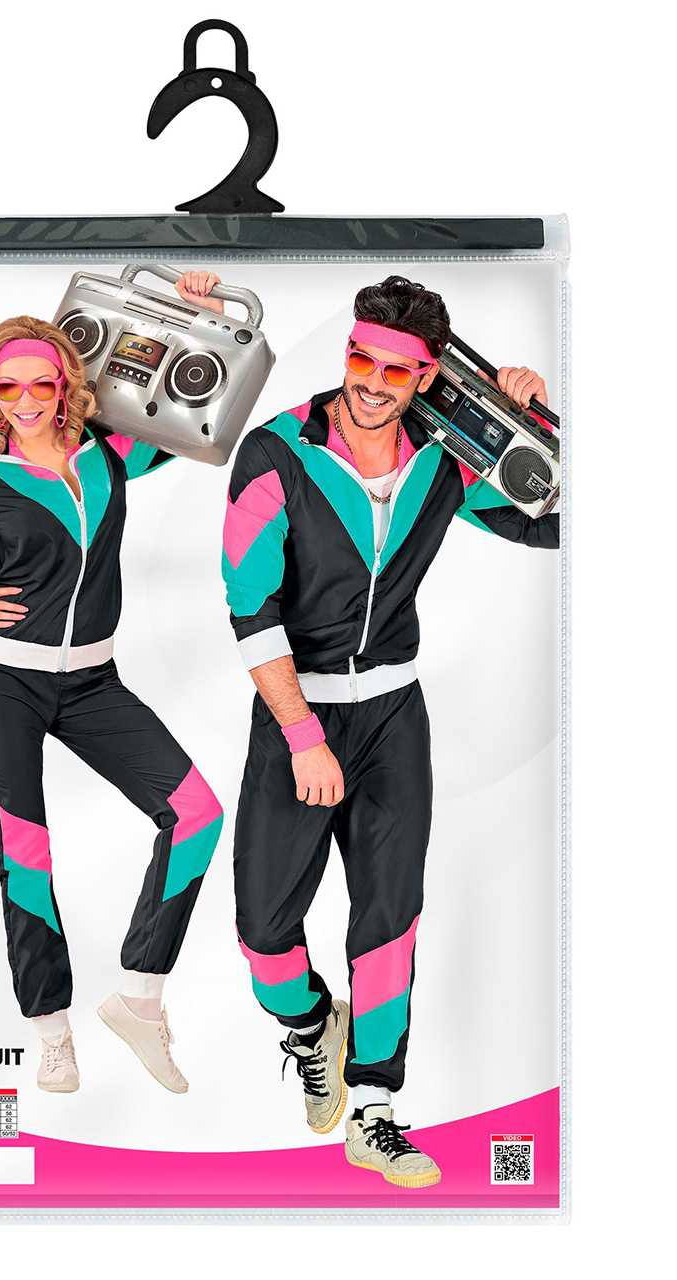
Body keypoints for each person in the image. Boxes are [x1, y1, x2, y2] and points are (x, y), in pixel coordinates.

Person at [220, 275, 559, 1186]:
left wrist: (534, 429)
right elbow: (249, 609)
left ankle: (375, 1112)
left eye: (397, 370)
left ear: (428, 376)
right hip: (295, 712)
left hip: (394, 718)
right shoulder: (277, 452)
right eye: (361, 358)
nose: (372, 382)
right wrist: (303, 738)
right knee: (262, 931)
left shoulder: (449, 460)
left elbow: (558, 522)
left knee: (388, 920)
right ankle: (309, 1027)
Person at [0, 287, 226, 1095]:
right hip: (4, 683)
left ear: (67, 383)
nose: (25, 401)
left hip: (95, 682)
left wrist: (192, 305)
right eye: (8, 387)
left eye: (41, 383)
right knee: (27, 853)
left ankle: (141, 1000)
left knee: (197, 815)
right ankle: (51, 1033)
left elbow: (206, 410)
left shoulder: (114, 453)